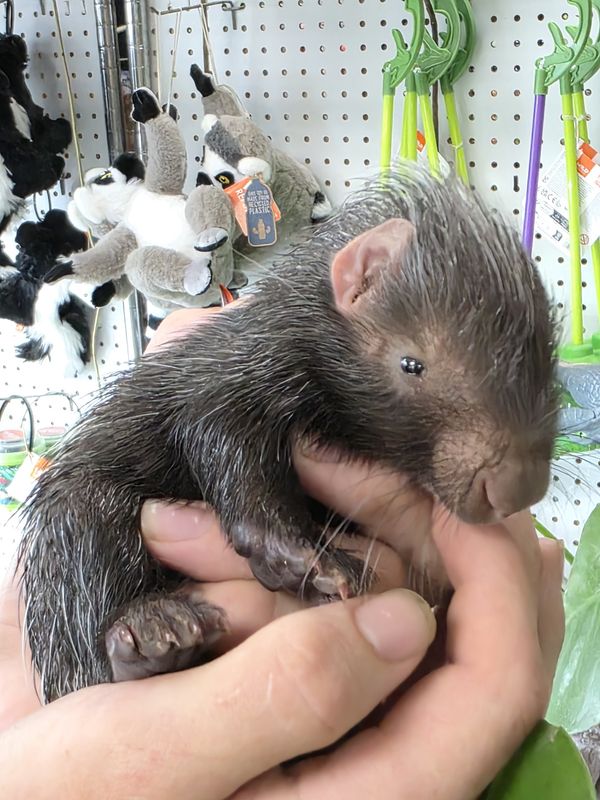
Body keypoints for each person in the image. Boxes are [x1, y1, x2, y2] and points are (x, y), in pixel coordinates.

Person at [0, 305, 565, 800]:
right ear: (356, 280)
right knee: (83, 507)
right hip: (115, 552)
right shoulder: (276, 354)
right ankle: (128, 651)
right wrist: (281, 540)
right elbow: (214, 423)